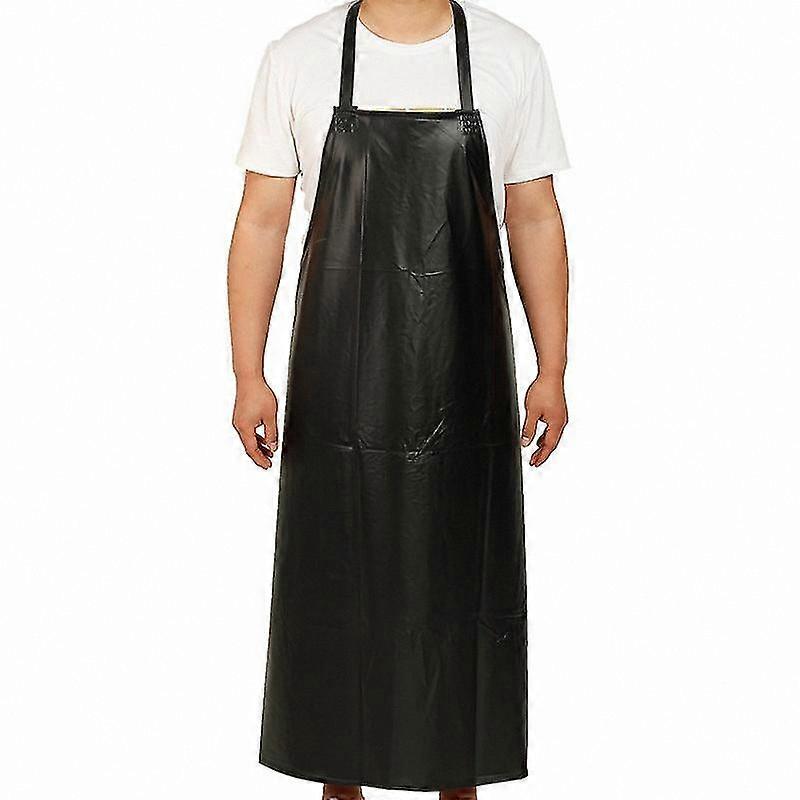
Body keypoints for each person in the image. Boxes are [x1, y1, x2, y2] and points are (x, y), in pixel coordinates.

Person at [227, 1, 569, 798]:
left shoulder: (512, 54)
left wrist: (552, 367)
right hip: (339, 376)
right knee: (337, 580)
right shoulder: (298, 56)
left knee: (460, 587)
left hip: (466, 376)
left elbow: (534, 214)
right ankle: (339, 781)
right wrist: (249, 373)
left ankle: (458, 779)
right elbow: (262, 219)